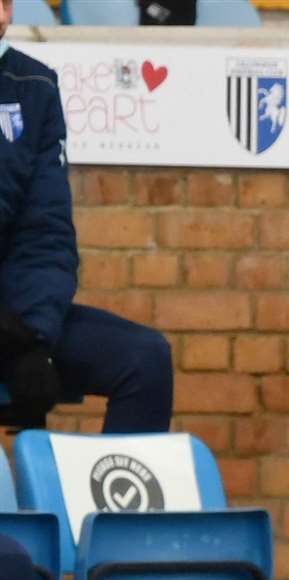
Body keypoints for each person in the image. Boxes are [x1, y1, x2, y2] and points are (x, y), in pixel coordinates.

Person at [0, 0, 173, 434]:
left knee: (144, 359)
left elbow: (45, 231)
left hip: (18, 321)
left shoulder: (33, 85)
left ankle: (118, 505)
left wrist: (33, 339)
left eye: (5, 2)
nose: (2, 14)